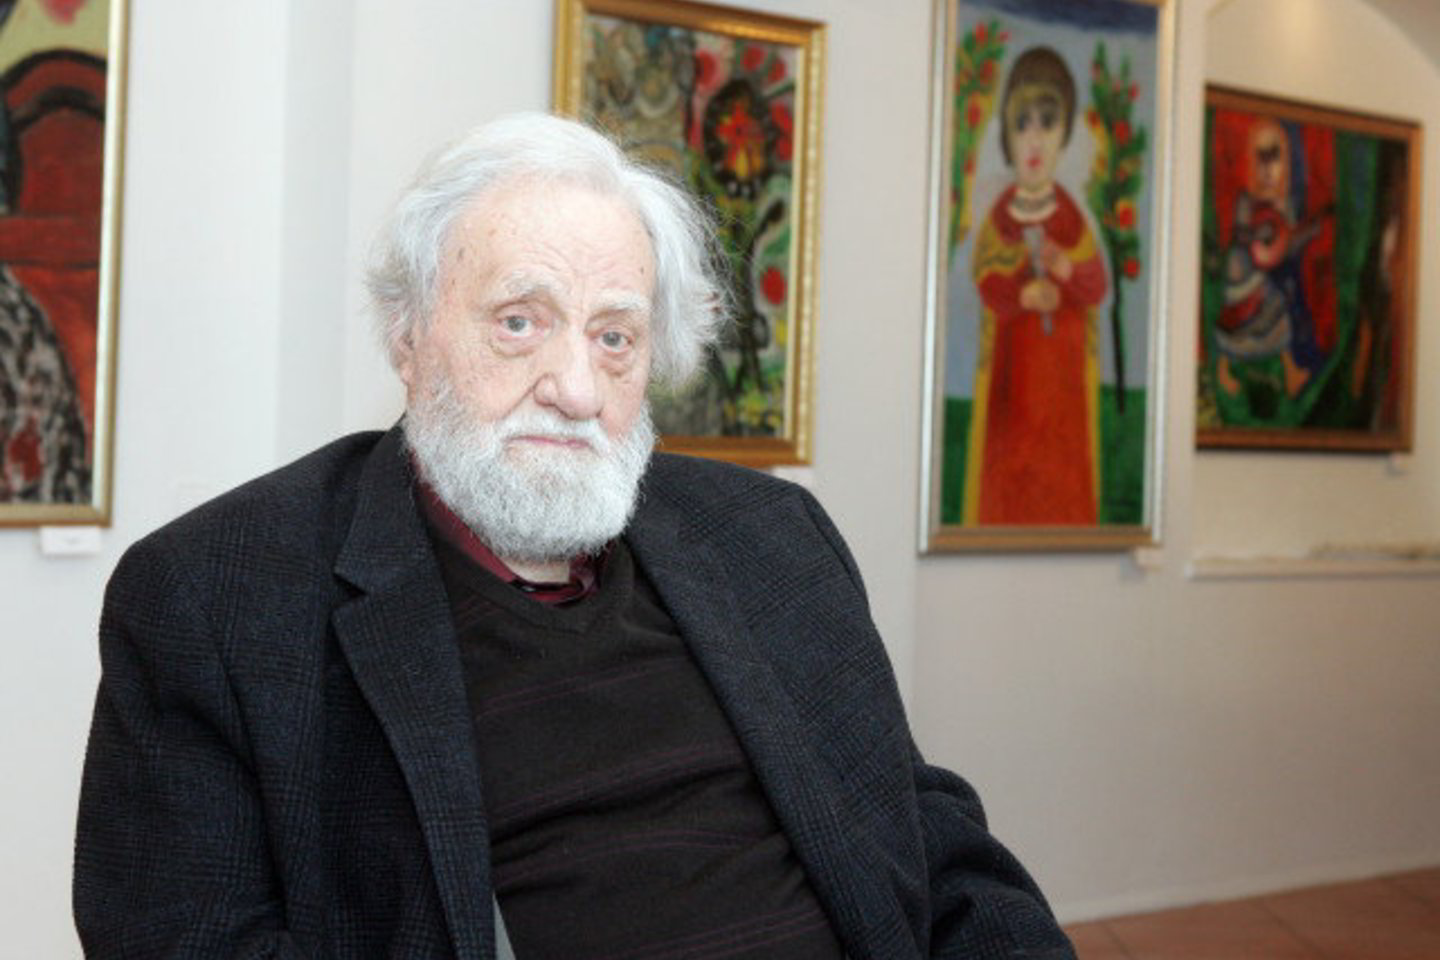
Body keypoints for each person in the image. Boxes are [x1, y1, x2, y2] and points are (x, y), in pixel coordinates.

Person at [74, 113, 1075, 960]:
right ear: (409, 336)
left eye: (614, 336)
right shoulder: (218, 595)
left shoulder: (771, 537)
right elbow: (185, 940)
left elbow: (924, 830)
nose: (577, 388)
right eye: (520, 322)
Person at [967, 47, 1107, 526]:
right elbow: (986, 279)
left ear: (1064, 135)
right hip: (1013, 379)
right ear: (1006, 135)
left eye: (1047, 124)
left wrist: (1066, 270)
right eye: (1022, 124)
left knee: (1060, 467)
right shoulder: (1001, 216)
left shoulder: (1069, 216)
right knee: (1011, 467)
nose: (1034, 139)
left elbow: (1096, 283)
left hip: (1061, 380)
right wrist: (1021, 294)